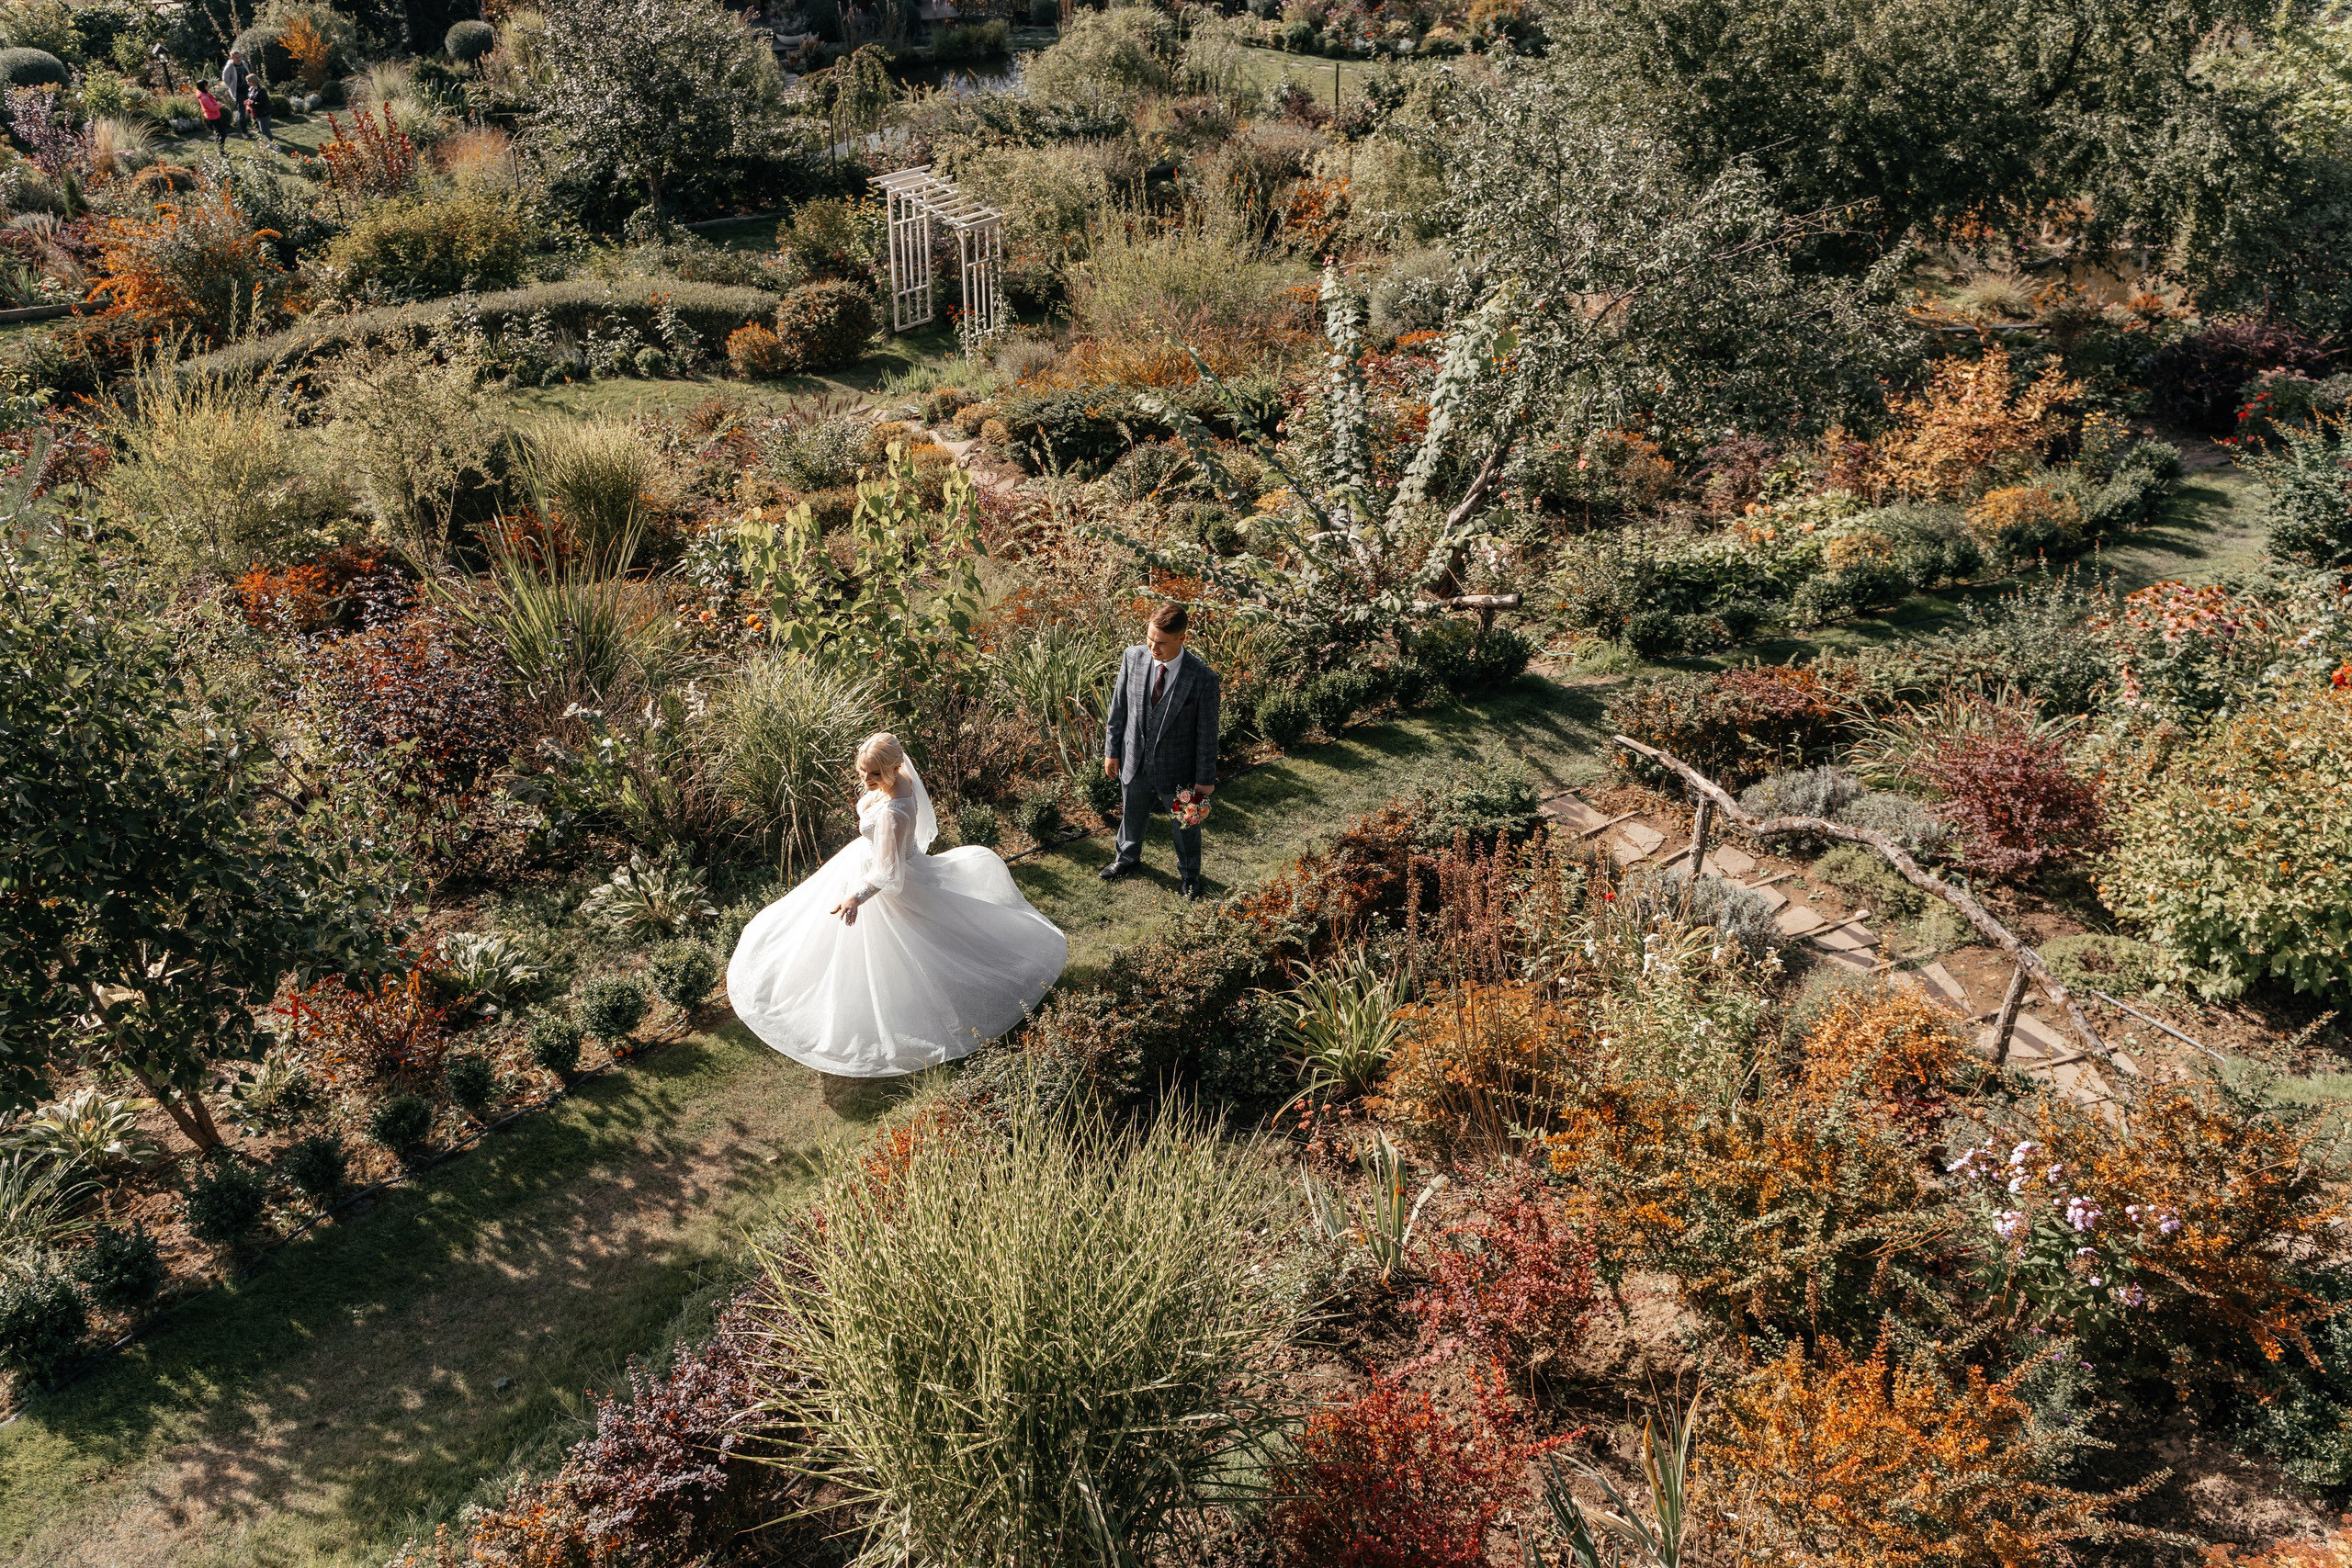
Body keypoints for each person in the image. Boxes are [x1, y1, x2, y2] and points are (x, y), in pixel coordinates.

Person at [728, 732, 1067, 1077]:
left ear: (893, 768)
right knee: (919, 943)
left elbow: (888, 873)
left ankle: (942, 1004)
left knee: (905, 950)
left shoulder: (894, 813)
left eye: (874, 774)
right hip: (876, 862)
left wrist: (856, 897)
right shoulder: (901, 778)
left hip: (886, 882)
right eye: (862, 771)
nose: (866, 780)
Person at [1098, 603, 1222, 899]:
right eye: (1150, 639)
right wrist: (1112, 751)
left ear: (1182, 637)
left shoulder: (1203, 678)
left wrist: (1205, 779)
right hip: (1134, 760)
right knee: (1131, 815)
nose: (1153, 648)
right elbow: (1118, 709)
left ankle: (1189, 875)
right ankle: (1126, 858)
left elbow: (1207, 734)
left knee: (1186, 827)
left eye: (1161, 643)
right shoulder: (1132, 657)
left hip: (1179, 771)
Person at [220, 50, 249, 134]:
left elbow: (248, 73)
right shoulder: (229, 66)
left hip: (248, 89)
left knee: (253, 107)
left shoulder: (244, 63)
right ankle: (244, 132)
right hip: (238, 91)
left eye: (240, 57)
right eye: (236, 57)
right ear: (232, 58)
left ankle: (258, 127)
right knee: (242, 111)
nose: (239, 59)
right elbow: (225, 79)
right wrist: (232, 85)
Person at [195, 82, 228, 152]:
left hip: (214, 116)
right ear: (204, 86)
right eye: (207, 85)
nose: (208, 86)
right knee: (222, 134)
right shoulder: (204, 98)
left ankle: (221, 151)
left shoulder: (205, 94)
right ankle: (221, 151)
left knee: (220, 134)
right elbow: (212, 108)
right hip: (213, 117)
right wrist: (219, 105)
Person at [243, 73, 274, 143]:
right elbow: (252, 98)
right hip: (256, 113)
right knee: (263, 130)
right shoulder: (251, 89)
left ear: (253, 81)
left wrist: (252, 104)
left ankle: (275, 145)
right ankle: (271, 143)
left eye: (248, 81)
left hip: (264, 113)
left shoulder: (261, 90)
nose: (247, 83)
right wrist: (248, 101)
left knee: (265, 130)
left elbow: (263, 103)